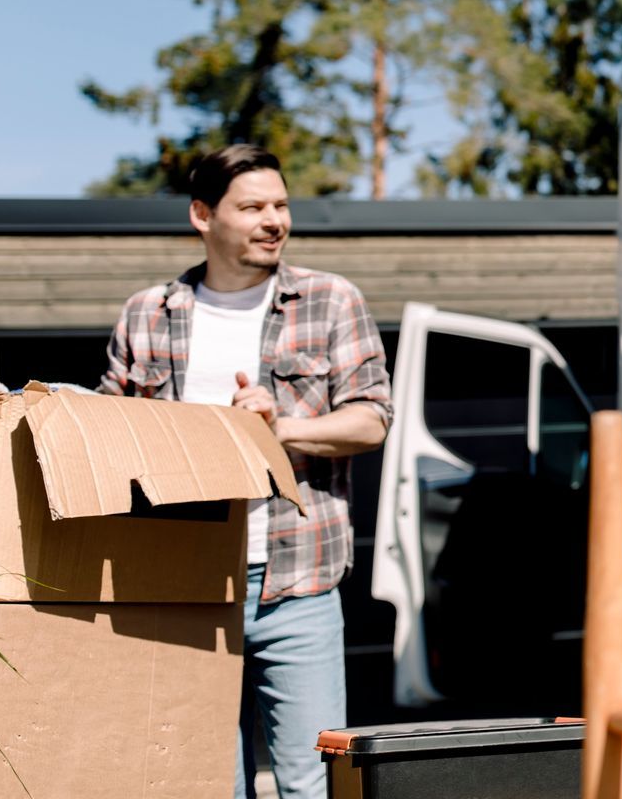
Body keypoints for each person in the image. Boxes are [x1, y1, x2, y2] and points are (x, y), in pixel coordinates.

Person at [104, 145, 392, 799]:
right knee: (207, 782)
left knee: (313, 784)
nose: (274, 220)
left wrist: (281, 428)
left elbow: (373, 419)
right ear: (203, 215)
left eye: (281, 205)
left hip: (298, 585)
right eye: (253, 207)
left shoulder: (329, 301)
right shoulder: (147, 315)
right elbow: (109, 435)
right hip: (183, 586)